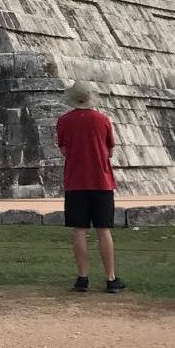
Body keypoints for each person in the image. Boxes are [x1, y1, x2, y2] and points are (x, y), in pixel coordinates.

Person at [56, 80, 124, 293]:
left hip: (76, 182)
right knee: (104, 230)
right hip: (101, 182)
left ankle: (82, 278)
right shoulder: (103, 120)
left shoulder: (64, 121)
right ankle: (111, 278)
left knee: (79, 230)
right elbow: (109, 150)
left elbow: (64, 149)